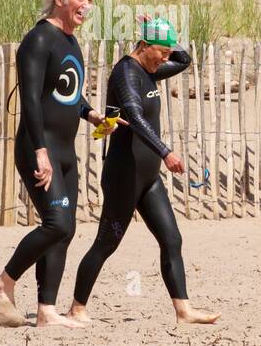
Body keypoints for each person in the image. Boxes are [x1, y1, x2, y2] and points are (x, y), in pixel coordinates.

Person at [0, 0, 120, 328]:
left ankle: (46, 311)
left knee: (66, 228)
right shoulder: (38, 39)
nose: (87, 6)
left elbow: (67, 91)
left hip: (65, 149)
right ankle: (2, 285)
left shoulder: (70, 43)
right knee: (56, 223)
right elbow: (31, 99)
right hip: (38, 147)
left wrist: (91, 114)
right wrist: (40, 151)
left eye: (90, 0)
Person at [67, 17, 220, 325]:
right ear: (144, 46)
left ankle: (183, 311)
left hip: (147, 178)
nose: (166, 58)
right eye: (161, 51)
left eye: (166, 52)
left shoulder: (151, 69)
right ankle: (77, 308)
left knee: (172, 239)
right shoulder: (126, 73)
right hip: (124, 174)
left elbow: (184, 59)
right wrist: (166, 152)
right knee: (106, 243)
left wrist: (165, 35)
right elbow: (135, 118)